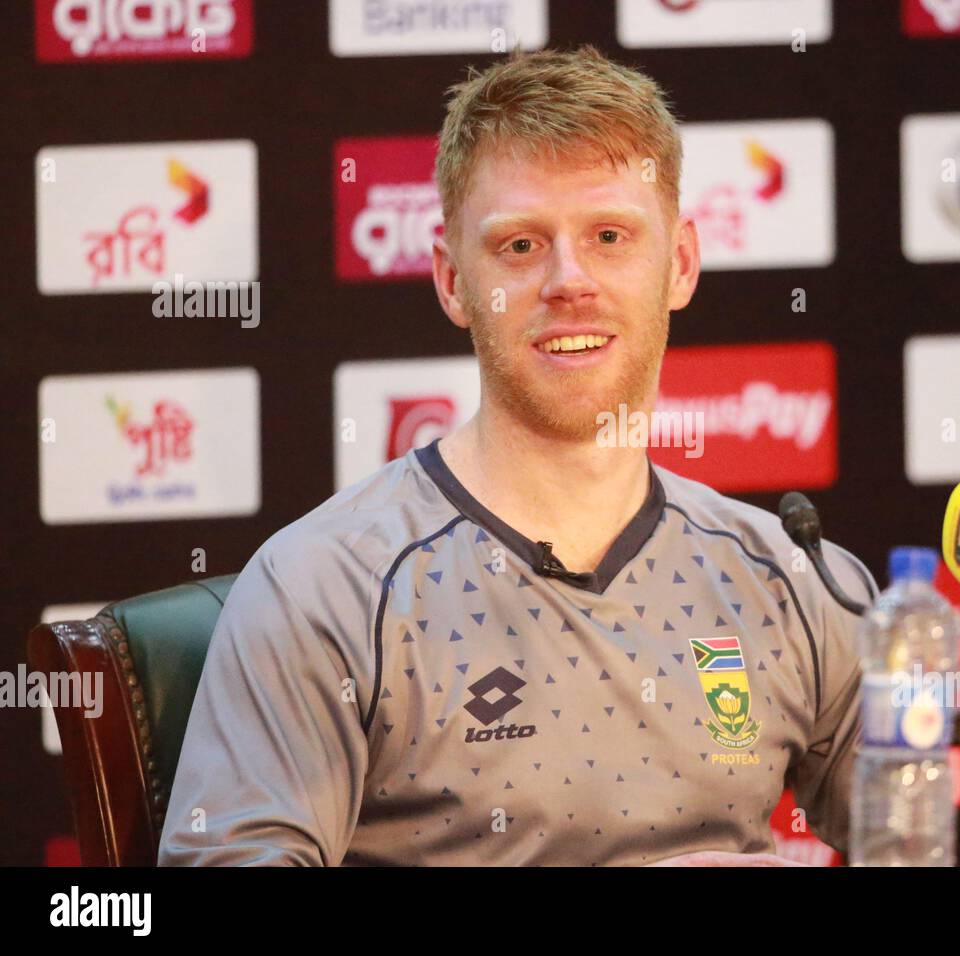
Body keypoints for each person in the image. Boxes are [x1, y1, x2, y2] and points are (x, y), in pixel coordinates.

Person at [158, 44, 875, 866]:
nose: (570, 280)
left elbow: (936, 834)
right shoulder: (328, 585)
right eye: (521, 247)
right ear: (453, 281)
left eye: (610, 235)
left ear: (678, 264)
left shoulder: (794, 580)